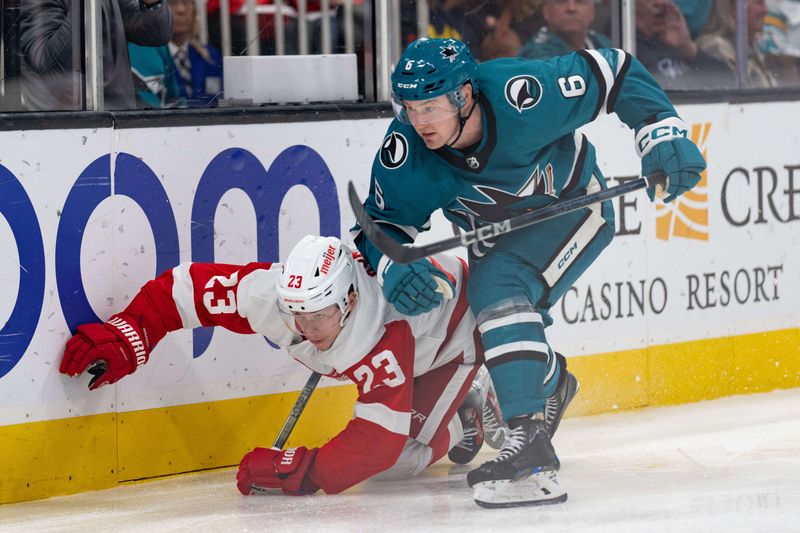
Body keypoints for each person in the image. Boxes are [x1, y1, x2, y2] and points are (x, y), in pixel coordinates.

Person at [351, 37, 706, 508]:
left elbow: (615, 71)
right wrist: (392, 261)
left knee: (497, 289)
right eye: (410, 108)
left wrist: (661, 129)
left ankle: (530, 447)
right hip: (493, 239)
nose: (419, 122)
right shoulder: (406, 149)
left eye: (431, 107)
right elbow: (381, 226)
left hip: (571, 209)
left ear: (464, 95)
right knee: (488, 324)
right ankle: (550, 381)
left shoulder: (523, 94)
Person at [59, 235, 506, 495]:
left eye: (320, 317)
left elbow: (377, 444)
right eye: (297, 315)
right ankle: (459, 413)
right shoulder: (271, 295)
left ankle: (468, 415)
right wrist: (129, 334)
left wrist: (298, 470)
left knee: (398, 464)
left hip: (455, 340)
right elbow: (181, 290)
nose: (307, 328)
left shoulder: (376, 335)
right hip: (419, 339)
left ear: (349, 301)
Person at [18, 0, 172, 111]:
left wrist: (152, 3)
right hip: (62, 126)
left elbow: (157, 34)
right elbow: (50, 62)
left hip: (119, 120)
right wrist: (85, 6)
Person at [635, 0, 734, 90]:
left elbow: (729, 82)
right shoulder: (631, 48)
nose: (661, 3)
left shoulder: (674, 42)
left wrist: (688, 48)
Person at [697, 0, 779, 88]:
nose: (765, 10)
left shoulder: (754, 49)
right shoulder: (716, 48)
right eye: (758, 3)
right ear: (734, 9)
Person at [169, 0, 224, 107]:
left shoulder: (211, 56)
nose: (181, 9)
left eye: (187, 2)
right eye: (171, 2)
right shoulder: (148, 59)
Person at [519, 0, 612, 59]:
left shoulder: (601, 41)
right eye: (561, 1)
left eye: (579, 1)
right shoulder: (536, 54)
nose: (571, 8)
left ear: (592, 11)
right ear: (546, 11)